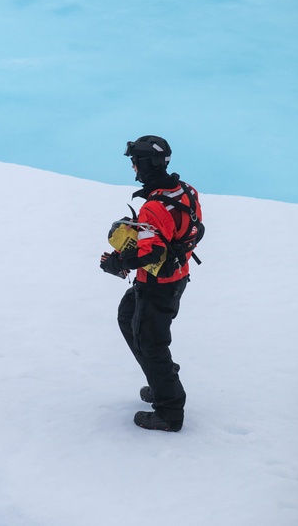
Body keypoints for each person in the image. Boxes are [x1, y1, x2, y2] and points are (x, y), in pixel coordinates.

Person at [100, 135, 203, 432]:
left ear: (145, 164)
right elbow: (189, 230)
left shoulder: (153, 208)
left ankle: (169, 411)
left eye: (135, 163)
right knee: (128, 315)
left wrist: (118, 263)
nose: (133, 168)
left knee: (151, 344)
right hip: (176, 278)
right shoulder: (186, 191)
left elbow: (152, 253)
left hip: (158, 285)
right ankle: (161, 379)